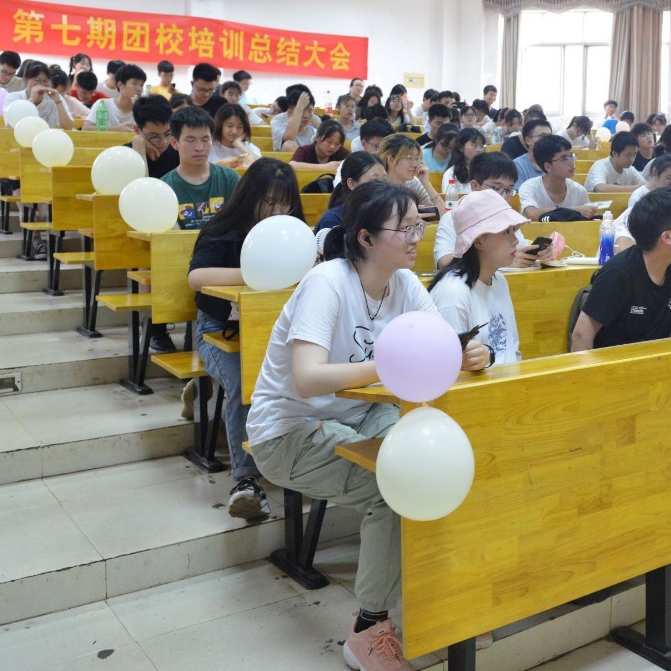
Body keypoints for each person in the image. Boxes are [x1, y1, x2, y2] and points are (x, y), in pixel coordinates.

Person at [247, 182, 489, 671]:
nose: (418, 237)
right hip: (290, 430)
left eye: (420, 226)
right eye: (406, 228)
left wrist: (470, 354)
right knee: (395, 485)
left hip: (358, 415)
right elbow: (308, 378)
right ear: (365, 238)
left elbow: (439, 347)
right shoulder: (327, 283)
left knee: (440, 459)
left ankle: (434, 599)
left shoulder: (406, 284)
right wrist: (390, 362)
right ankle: (368, 629)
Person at [188, 159, 305, 519]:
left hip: (275, 334)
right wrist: (255, 272)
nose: (277, 211)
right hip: (218, 332)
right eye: (268, 202)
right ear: (250, 196)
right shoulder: (222, 229)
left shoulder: (292, 234)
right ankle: (246, 481)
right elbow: (196, 277)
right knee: (244, 379)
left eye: (284, 203)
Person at [572, 186, 671, 352]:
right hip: (614, 362)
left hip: (655, 361)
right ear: (667, 237)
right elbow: (581, 335)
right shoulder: (618, 273)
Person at [429, 189, 527, 368]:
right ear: (478, 241)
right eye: (506, 231)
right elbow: (448, 369)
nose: (515, 240)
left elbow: (513, 352)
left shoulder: (499, 281)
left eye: (514, 230)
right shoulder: (452, 292)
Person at [162, 106, 241, 230]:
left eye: (205, 140)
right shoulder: (165, 187)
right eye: (190, 140)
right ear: (174, 143)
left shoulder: (230, 179)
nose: (199, 148)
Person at [612, 154, 671, 254]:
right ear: (655, 171)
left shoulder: (668, 199)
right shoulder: (638, 196)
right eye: (668, 178)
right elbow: (633, 229)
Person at [518, 135, 596, 221]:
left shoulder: (579, 191)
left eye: (571, 156)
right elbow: (532, 214)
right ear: (548, 166)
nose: (571, 162)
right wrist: (574, 210)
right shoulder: (529, 187)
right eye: (564, 158)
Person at [315, 151, 388, 234]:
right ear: (352, 184)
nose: (383, 186)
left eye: (384, 180)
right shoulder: (333, 220)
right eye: (374, 180)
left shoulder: (387, 214)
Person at [378, 134, 446, 215]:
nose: (415, 164)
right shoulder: (377, 186)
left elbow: (442, 213)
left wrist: (426, 183)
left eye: (417, 158)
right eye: (409, 158)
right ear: (391, 160)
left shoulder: (414, 183)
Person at [5, 62, 73, 129]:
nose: (42, 85)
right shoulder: (13, 98)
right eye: (37, 80)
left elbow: (68, 127)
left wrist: (58, 102)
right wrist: (32, 99)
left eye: (46, 81)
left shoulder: (55, 98)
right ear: (25, 80)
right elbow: (10, 126)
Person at [82, 63, 145, 130]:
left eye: (141, 85)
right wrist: (117, 129)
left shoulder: (143, 110)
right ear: (120, 85)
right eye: (134, 84)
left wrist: (138, 109)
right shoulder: (103, 105)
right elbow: (86, 128)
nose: (139, 89)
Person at [210, 103, 262, 168]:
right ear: (220, 125)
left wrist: (238, 144)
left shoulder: (248, 147)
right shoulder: (209, 146)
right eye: (230, 126)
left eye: (239, 127)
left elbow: (262, 167)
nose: (234, 131)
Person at [273, 86, 321, 152]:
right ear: (289, 113)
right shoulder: (279, 126)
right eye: (302, 111)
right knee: (289, 145)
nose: (306, 116)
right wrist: (300, 106)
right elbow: (289, 136)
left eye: (310, 111)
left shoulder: (314, 132)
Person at [441, 127, 487, 195]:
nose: (479, 150)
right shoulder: (451, 174)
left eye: (482, 146)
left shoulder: (487, 171)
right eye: (475, 145)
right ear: (461, 147)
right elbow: (449, 199)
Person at [512, 119, 553, 189]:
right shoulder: (518, 166)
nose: (548, 140)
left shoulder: (557, 162)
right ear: (528, 140)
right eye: (542, 136)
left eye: (550, 136)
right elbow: (519, 194)